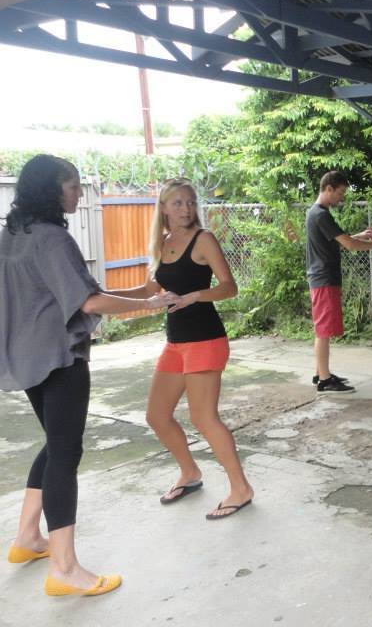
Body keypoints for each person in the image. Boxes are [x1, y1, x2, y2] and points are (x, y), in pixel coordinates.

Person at [1, 155, 175, 596]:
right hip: (59, 357)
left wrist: (137, 291)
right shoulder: (52, 238)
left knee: (55, 443)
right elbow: (89, 303)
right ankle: (63, 568)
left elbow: (78, 293)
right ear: (52, 190)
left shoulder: (13, 235)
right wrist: (149, 306)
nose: (79, 192)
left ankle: (26, 539)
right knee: (65, 454)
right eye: (73, 185)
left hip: (27, 357)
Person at [109, 178, 254, 520]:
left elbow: (229, 287)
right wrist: (103, 294)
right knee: (157, 416)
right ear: (163, 208)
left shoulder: (204, 240)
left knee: (204, 418)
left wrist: (195, 296)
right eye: (178, 203)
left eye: (190, 202)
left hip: (205, 338)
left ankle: (240, 488)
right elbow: (148, 290)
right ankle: (190, 474)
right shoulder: (162, 243)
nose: (186, 209)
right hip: (176, 343)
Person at [306, 170, 372, 394]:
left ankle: (320, 373)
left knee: (323, 330)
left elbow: (341, 240)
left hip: (322, 278)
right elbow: (350, 246)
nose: (341, 197)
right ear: (329, 189)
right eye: (340, 192)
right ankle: (325, 380)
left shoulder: (317, 213)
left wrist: (363, 235)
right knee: (323, 331)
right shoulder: (321, 215)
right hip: (324, 278)